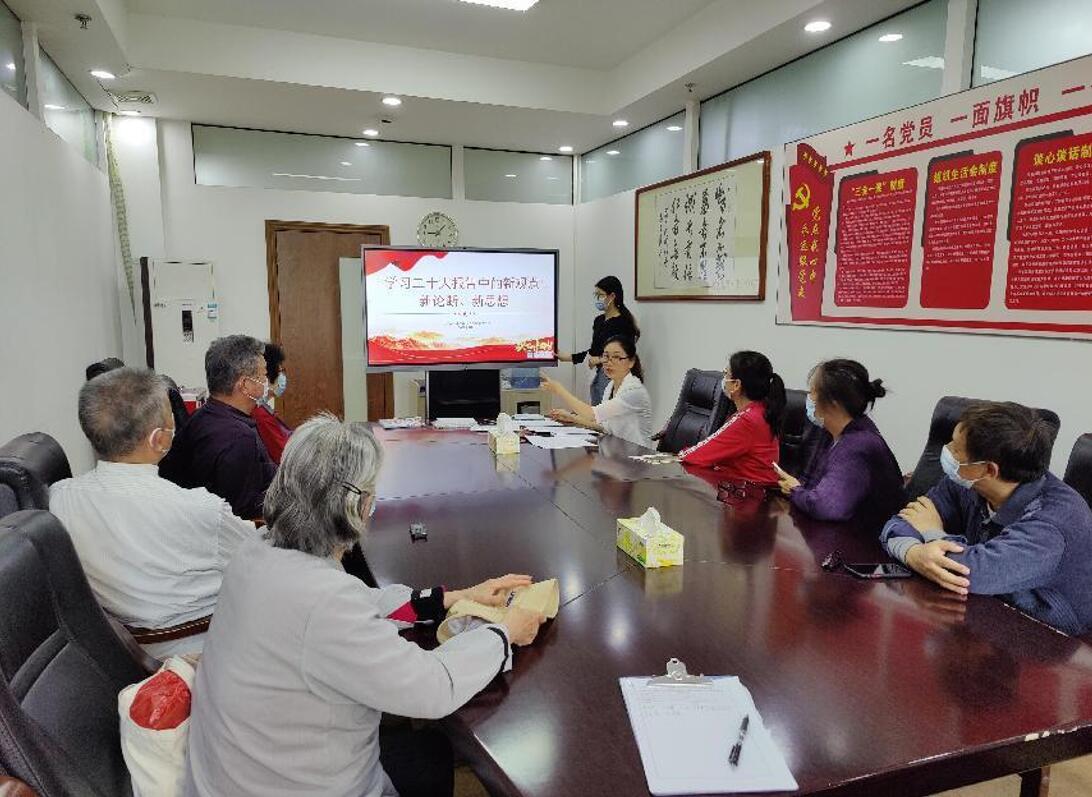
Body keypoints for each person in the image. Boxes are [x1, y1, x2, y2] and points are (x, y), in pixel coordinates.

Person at [183, 415, 545, 797]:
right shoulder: (324, 601)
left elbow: (355, 603)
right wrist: (505, 632)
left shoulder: (258, 550)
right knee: (432, 752)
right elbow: (432, 688)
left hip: (242, 769)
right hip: (291, 783)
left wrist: (449, 599)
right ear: (357, 505)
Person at [49, 367, 258, 658]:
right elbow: (257, 555)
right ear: (159, 440)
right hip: (205, 647)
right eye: (171, 417)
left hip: (116, 653)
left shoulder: (57, 499)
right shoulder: (200, 509)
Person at [881, 402, 1092, 636]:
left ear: (989, 470)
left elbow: (973, 573)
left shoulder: (1054, 521)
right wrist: (913, 553)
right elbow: (904, 520)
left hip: (1048, 638)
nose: (947, 450)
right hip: (981, 612)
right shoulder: (966, 481)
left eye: (956, 448)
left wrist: (931, 533)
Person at [776, 358, 905, 530]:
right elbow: (811, 483)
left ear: (833, 404)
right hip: (833, 533)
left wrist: (796, 491)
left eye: (813, 392)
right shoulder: (828, 431)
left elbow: (828, 507)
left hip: (868, 545)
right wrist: (795, 488)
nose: (808, 398)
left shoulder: (859, 444)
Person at [160, 334, 276, 519]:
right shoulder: (238, 438)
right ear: (245, 385)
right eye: (263, 375)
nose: (267, 382)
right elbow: (243, 518)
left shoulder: (203, 417)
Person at [678, 351, 786, 492]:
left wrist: (681, 454)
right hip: (747, 492)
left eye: (726, 374)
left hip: (748, 498)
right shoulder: (760, 411)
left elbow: (696, 455)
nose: (723, 379)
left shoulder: (747, 420)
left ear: (736, 385)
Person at [542, 335, 652, 448]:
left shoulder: (633, 390)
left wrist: (559, 389)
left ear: (631, 362)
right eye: (606, 356)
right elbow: (605, 426)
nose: (609, 362)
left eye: (616, 357)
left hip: (637, 457)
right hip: (617, 452)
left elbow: (592, 414)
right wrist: (572, 418)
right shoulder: (611, 386)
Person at [557, 275, 639, 404]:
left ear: (612, 296)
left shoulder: (623, 323)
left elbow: (626, 354)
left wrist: (601, 359)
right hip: (596, 373)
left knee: (606, 416)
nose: (597, 299)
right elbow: (594, 351)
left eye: (600, 295)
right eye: (596, 295)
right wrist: (566, 357)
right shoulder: (599, 321)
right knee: (595, 413)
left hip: (612, 374)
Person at [253, 341, 293, 464]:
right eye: (279, 369)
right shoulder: (259, 414)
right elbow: (283, 454)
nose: (282, 373)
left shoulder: (261, 408)